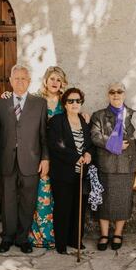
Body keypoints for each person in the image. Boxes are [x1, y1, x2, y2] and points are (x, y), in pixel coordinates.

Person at [1, 66, 68, 249]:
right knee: (41, 195)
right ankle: (38, 234)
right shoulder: (37, 99)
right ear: (45, 80)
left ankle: (57, 233)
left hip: (60, 156)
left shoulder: (66, 101)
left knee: (58, 196)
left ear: (63, 83)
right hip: (38, 155)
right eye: (52, 78)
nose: (55, 83)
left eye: (58, 80)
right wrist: (8, 96)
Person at [0, 64, 49, 254]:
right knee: (7, 200)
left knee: (27, 200)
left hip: (31, 161)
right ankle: (7, 237)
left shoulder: (40, 103)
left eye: (23, 78)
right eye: (16, 78)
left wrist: (45, 158)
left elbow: (44, 135)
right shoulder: (0, 104)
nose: (20, 82)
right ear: (10, 80)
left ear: (29, 81)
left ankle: (22, 238)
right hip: (7, 160)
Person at [90, 82, 136, 251]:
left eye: (119, 91)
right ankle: (104, 234)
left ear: (124, 94)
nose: (116, 94)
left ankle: (118, 233)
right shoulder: (99, 116)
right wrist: (116, 143)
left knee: (123, 201)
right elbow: (95, 137)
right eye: (112, 92)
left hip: (127, 165)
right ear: (108, 95)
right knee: (103, 201)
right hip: (106, 164)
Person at [48, 88, 93, 254]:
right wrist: (75, 157)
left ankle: (76, 240)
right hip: (62, 173)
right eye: (71, 101)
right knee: (63, 208)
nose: (75, 104)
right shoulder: (56, 121)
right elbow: (56, 146)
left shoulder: (83, 121)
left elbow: (89, 144)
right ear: (65, 104)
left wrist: (88, 153)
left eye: (78, 101)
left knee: (79, 208)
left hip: (81, 173)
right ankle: (61, 243)